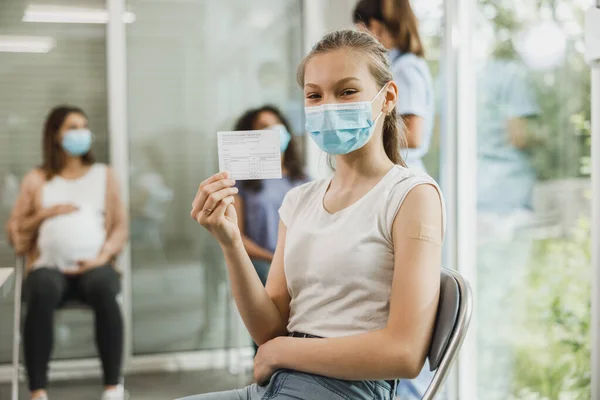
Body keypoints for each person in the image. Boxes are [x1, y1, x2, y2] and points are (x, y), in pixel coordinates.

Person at [183, 29, 445, 400]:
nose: (329, 106)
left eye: (347, 91)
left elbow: (404, 354)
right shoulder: (299, 200)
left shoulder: (412, 195)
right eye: (314, 95)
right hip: (280, 381)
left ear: (387, 97)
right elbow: (269, 331)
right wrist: (230, 242)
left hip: (347, 389)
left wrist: (281, 352)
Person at [5, 106, 128, 400]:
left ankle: (112, 387)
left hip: (94, 267)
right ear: (56, 134)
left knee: (103, 286)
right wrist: (47, 213)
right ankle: (38, 391)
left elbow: (120, 227)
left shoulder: (104, 175)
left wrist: (101, 257)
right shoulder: (37, 178)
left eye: (84, 126)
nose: (81, 132)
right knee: (42, 288)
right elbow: (16, 230)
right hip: (49, 268)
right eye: (73, 127)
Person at [353, 0, 434, 173]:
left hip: (404, 170)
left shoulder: (405, 69)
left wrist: (360, 134)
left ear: (373, 27)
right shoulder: (395, 66)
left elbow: (414, 136)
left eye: (359, 31)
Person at [232, 105, 308, 288]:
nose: (275, 130)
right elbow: (237, 236)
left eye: (278, 124)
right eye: (265, 126)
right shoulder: (241, 182)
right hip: (262, 263)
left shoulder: (304, 180)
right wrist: (274, 259)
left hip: (298, 263)